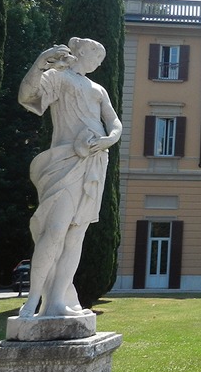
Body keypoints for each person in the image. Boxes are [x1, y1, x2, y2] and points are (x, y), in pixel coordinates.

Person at [17, 38, 122, 318]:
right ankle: (32, 302)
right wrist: (41, 61)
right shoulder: (58, 78)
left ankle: (57, 303)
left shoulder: (98, 89)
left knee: (75, 237)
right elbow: (27, 96)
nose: (99, 62)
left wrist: (110, 138)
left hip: (94, 162)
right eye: (96, 56)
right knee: (54, 232)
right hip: (66, 160)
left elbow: (114, 121)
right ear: (81, 53)